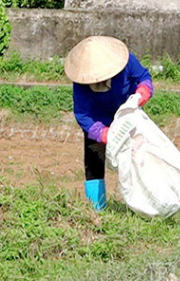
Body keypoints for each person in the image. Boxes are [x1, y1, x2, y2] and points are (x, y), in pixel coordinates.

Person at [64, 36, 153, 211]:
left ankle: (146, 204)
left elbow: (143, 76)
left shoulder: (127, 62)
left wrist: (143, 91)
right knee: (94, 160)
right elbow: (82, 114)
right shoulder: (81, 83)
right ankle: (96, 208)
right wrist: (102, 133)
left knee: (139, 157)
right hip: (98, 122)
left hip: (128, 116)